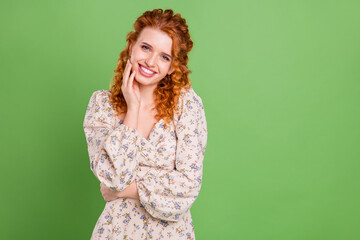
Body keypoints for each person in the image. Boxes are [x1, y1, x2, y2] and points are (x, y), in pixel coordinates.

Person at [83, 8, 207, 240]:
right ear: (131, 46)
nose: (150, 61)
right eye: (146, 47)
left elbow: (188, 186)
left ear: (172, 68)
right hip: (116, 231)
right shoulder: (102, 106)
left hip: (172, 234)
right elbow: (113, 177)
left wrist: (127, 191)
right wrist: (133, 108)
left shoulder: (186, 106)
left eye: (164, 56)